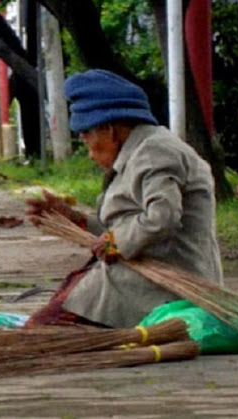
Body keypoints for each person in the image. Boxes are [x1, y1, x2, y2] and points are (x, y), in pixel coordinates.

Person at [24, 69, 223, 329]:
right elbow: (124, 228)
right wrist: (73, 219)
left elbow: (162, 218)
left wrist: (115, 242)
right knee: (51, 316)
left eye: (87, 138)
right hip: (141, 274)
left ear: (109, 130)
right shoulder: (140, 151)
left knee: (45, 327)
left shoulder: (155, 151)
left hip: (164, 283)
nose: (89, 153)